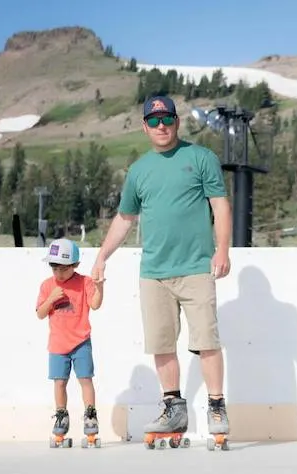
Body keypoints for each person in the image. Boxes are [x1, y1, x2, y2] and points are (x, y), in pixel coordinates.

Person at [91, 95, 233, 443]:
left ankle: (216, 405)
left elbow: (220, 204)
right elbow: (125, 218)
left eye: (167, 119)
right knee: (162, 343)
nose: (161, 126)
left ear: (177, 122)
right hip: (154, 272)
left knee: (207, 341)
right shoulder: (139, 171)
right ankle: (173, 408)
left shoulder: (201, 158)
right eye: (153, 122)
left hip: (197, 267)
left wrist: (223, 250)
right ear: (144, 127)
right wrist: (101, 256)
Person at [35, 238, 104, 446]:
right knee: (59, 382)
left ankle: (90, 414)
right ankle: (61, 415)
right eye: (54, 268)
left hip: (81, 341)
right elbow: (40, 313)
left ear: (75, 265)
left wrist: (99, 287)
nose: (58, 273)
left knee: (85, 379)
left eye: (63, 269)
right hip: (57, 344)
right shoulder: (47, 286)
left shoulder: (84, 282)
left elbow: (95, 304)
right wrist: (51, 299)